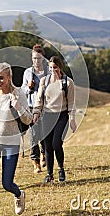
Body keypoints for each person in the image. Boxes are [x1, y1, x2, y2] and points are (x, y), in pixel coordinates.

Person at [0, 62, 32, 216]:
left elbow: (28, 120)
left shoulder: (18, 94)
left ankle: (19, 194)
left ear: (9, 77)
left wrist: (18, 107)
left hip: (11, 143)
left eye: (1, 78)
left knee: (7, 183)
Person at [32, 56, 77, 184]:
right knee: (47, 146)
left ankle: (61, 169)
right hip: (47, 116)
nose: (53, 70)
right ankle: (49, 174)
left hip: (61, 116)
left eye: (55, 68)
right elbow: (39, 99)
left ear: (60, 67)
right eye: (50, 67)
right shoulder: (44, 81)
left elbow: (72, 103)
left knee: (56, 143)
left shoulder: (67, 83)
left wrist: (72, 119)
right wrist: (36, 113)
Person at [21, 44, 48, 173]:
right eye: (34, 58)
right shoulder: (27, 73)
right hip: (32, 107)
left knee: (44, 133)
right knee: (33, 135)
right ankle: (35, 161)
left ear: (42, 58)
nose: (36, 61)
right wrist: (29, 88)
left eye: (38, 58)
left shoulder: (48, 72)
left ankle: (44, 155)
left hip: (47, 107)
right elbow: (22, 90)